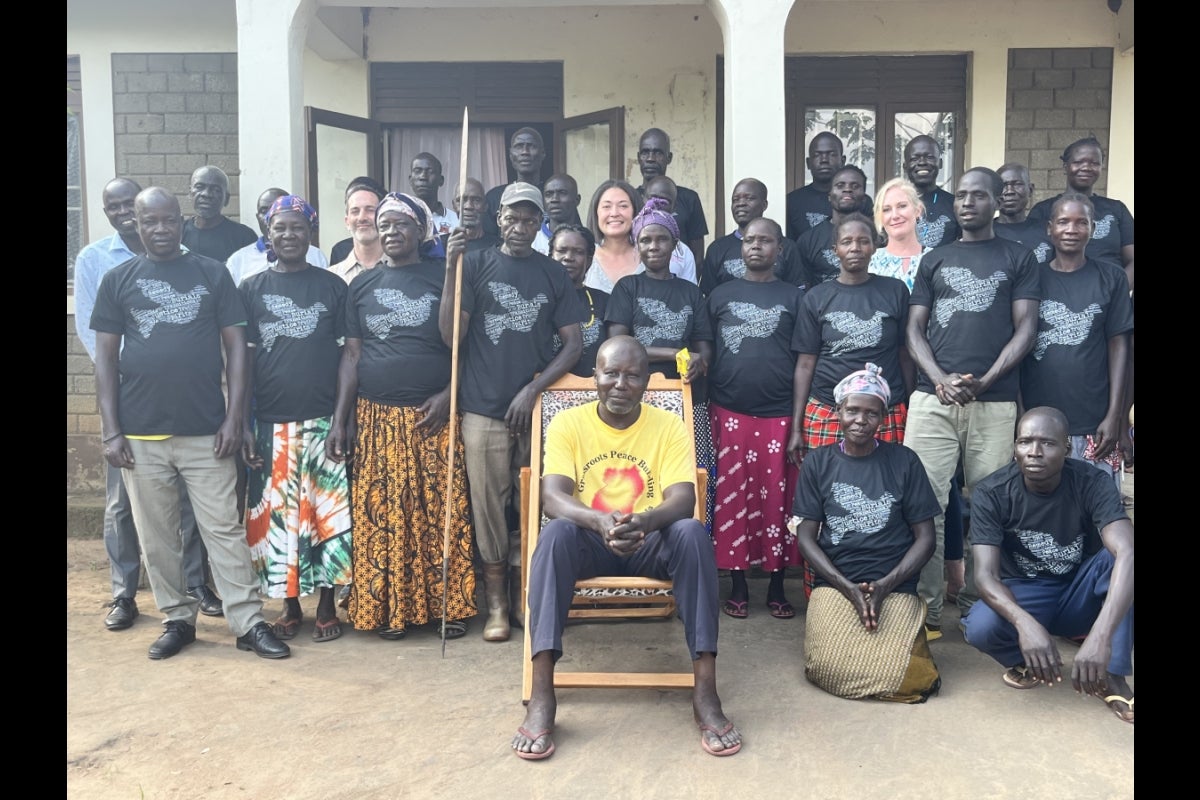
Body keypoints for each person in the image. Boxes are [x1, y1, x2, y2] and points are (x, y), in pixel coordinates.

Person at [514, 336, 741, 760]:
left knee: (691, 532)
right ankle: (543, 691)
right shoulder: (568, 424)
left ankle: (705, 691)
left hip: (648, 540)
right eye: (611, 373)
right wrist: (599, 520)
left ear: (646, 383)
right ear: (595, 375)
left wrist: (645, 521)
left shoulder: (667, 426)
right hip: (589, 539)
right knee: (554, 533)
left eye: (632, 375)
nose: (620, 384)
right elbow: (553, 497)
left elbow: (682, 499)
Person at [90, 186, 290, 660]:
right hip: (140, 434)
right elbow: (104, 361)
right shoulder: (119, 280)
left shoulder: (211, 274)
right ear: (135, 227)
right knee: (158, 535)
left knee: (223, 528)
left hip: (206, 430)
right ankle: (177, 619)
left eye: (168, 220)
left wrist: (235, 418)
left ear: (181, 222)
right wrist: (111, 431)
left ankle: (248, 621)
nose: (160, 229)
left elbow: (237, 348)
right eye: (149, 222)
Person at [441, 182, 586, 642]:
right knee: (487, 506)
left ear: (539, 223)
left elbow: (574, 343)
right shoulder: (476, 263)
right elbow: (451, 338)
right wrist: (450, 268)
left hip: (539, 410)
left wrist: (534, 389)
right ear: (497, 216)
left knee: (534, 504)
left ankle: (528, 596)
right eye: (512, 217)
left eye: (529, 219)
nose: (520, 227)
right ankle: (497, 605)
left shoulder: (551, 273)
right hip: (482, 407)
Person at [328, 192, 476, 640]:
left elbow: (462, 345)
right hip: (375, 417)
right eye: (384, 223)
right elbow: (352, 356)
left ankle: (444, 608)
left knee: (437, 512)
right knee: (384, 514)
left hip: (432, 415)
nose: (392, 231)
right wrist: (341, 418)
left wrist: (450, 395)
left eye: (401, 224)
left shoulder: (443, 276)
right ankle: (388, 608)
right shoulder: (362, 286)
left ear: (420, 230)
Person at [74, 177, 215, 630]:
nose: (120, 213)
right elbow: (100, 344)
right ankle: (124, 593)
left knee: (189, 507)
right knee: (122, 506)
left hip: (186, 410)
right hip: (133, 407)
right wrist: (115, 416)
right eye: (112, 206)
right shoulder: (96, 260)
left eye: (124, 205)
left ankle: (195, 585)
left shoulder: (190, 262)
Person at [905, 167, 1040, 639]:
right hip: (932, 400)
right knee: (925, 503)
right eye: (961, 195)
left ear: (994, 202)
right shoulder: (935, 258)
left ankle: (979, 607)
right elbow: (914, 329)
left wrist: (984, 380)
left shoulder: (1018, 257)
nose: (967, 203)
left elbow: (1026, 328)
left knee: (989, 506)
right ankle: (927, 612)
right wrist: (940, 379)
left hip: (996, 402)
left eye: (977, 195)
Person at [962, 407, 1134, 725]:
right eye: (1025, 442)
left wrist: (1100, 637)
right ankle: (1034, 660)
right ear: (1014, 447)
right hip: (1027, 593)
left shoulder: (1091, 482)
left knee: (1122, 558)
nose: (1035, 452)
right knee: (980, 627)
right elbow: (985, 576)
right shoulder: (992, 492)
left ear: (1067, 448)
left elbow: (1128, 551)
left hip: (1079, 589)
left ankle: (1112, 674)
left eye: (1047, 443)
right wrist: (1025, 626)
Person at [789, 365, 942, 702]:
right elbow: (806, 538)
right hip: (835, 584)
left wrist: (886, 585)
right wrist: (847, 588)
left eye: (871, 413)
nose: (860, 420)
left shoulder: (905, 462)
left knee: (915, 679)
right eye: (852, 410)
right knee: (824, 669)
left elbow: (926, 538)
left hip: (895, 584)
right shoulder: (817, 463)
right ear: (838, 412)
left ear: (884, 418)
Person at [239, 194, 352, 644]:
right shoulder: (251, 289)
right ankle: (289, 607)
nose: (288, 235)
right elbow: (241, 365)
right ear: (268, 233)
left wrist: (342, 420)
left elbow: (349, 358)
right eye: (280, 228)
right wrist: (245, 422)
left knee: (323, 516)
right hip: (270, 423)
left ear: (311, 233)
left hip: (323, 420)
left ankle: (325, 605)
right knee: (279, 521)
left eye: (297, 228)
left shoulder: (332, 287)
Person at [791, 212, 915, 598]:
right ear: (835, 250)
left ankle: (888, 587)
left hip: (886, 410)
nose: (855, 248)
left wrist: (908, 406)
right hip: (827, 410)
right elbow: (806, 362)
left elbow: (905, 354)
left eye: (863, 241)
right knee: (829, 501)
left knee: (884, 495)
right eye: (847, 242)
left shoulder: (894, 292)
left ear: (875, 245)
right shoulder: (817, 297)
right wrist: (796, 425)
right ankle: (824, 592)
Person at [706, 217, 804, 619]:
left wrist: (797, 423)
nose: (756, 246)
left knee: (779, 502)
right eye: (749, 240)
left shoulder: (796, 298)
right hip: (728, 410)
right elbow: (707, 352)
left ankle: (779, 586)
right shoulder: (719, 295)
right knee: (732, 502)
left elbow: (803, 362)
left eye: (766, 241)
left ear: (780, 249)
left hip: (779, 414)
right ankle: (739, 584)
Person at [606, 198, 716, 529]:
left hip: (687, 399)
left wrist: (700, 363)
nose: (654, 246)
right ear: (637, 245)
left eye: (661, 239)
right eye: (646, 240)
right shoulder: (628, 287)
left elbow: (704, 348)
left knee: (690, 469)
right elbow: (617, 345)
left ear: (674, 243)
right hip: (641, 397)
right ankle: (640, 534)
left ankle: (693, 535)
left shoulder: (691, 293)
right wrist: (672, 353)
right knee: (644, 468)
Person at [1019, 193, 1133, 490]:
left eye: (1081, 222)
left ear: (1092, 229)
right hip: (1038, 420)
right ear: (1049, 228)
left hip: (1094, 421)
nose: (1071, 229)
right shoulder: (1031, 277)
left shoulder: (1111, 277)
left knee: (1097, 512)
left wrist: (1116, 414)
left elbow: (1119, 346)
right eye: (1063, 222)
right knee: (1046, 512)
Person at [1027, 137, 1134, 292]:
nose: (1086, 167)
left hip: (1111, 293)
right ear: (1065, 166)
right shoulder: (1043, 210)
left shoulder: (1116, 209)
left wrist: (1117, 292)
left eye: (1094, 163)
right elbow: (1036, 258)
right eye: (1078, 162)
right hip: (1058, 293)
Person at [700, 178, 803, 296]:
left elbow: (797, 293)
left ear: (764, 205)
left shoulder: (786, 247)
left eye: (749, 198)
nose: (741, 203)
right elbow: (709, 296)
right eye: (735, 199)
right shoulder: (717, 248)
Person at [635, 128, 709, 268]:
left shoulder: (689, 198)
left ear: (669, 158)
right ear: (639, 157)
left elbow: (698, 257)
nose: (651, 158)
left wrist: (688, 288)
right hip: (637, 284)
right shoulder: (628, 199)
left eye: (658, 153)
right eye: (645, 152)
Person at [226, 187, 329, 287]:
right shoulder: (238, 261)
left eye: (279, 208)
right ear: (258, 217)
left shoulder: (316, 256)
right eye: (264, 210)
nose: (271, 215)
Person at [797, 165, 872, 290]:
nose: (847, 189)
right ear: (829, 195)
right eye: (840, 185)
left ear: (864, 197)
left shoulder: (874, 236)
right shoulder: (808, 240)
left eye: (855, 186)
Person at [548, 223, 608, 378]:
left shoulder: (605, 301)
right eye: (562, 250)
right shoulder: (538, 299)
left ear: (589, 260)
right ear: (550, 255)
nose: (568, 257)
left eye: (578, 252)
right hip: (542, 392)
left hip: (592, 392)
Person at [181, 165, 258, 263]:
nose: (206, 194)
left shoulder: (244, 237)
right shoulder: (178, 234)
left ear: (226, 199)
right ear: (190, 193)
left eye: (216, 189)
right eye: (200, 187)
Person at [869, 177, 930, 291]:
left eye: (902, 206)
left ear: (918, 210)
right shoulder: (868, 262)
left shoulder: (935, 260)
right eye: (886, 209)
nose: (895, 215)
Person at [484, 128, 547, 239]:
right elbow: (488, 242)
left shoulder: (555, 196)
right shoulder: (494, 197)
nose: (525, 152)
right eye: (519, 146)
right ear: (510, 155)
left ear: (542, 153)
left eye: (531, 146)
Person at [583, 179, 644, 293]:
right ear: (596, 213)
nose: (614, 213)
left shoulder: (650, 256)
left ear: (635, 212)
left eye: (623, 206)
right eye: (606, 206)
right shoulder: (583, 257)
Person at [786, 131, 846, 242]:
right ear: (808, 163)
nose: (824, 160)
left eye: (831, 154)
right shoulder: (792, 202)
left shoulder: (856, 200)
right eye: (817, 155)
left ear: (843, 161)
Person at [903, 136, 960, 249]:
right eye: (914, 159)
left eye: (929, 157)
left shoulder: (956, 205)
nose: (922, 163)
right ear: (905, 166)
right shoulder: (892, 205)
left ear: (940, 163)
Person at [992, 163, 1052, 264]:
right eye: (1003, 186)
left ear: (1031, 190)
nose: (1009, 191)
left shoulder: (1047, 230)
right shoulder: (985, 233)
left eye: (1017, 184)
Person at [644, 176, 698, 284]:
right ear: (643, 200)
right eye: (652, 198)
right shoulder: (629, 244)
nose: (657, 205)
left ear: (674, 207)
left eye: (664, 201)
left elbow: (689, 294)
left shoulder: (683, 252)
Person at [330, 180, 386, 284]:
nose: (362, 218)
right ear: (347, 221)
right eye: (355, 211)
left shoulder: (403, 271)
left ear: (383, 217)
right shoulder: (331, 278)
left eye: (370, 210)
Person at [409, 153, 459, 238]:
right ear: (410, 180)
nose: (423, 177)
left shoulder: (455, 221)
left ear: (441, 180)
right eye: (418, 171)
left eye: (430, 172)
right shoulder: (401, 218)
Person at [533, 173, 582, 255]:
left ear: (577, 200)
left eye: (562, 193)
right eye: (549, 194)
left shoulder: (586, 239)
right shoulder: (532, 240)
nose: (554, 199)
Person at [453, 177, 502, 253]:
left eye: (476, 200)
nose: (469, 206)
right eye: (462, 200)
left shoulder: (499, 247)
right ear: (454, 205)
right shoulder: (442, 246)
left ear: (485, 206)